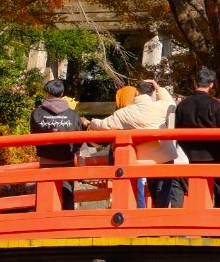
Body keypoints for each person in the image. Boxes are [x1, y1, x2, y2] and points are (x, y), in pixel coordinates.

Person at [90, 81, 176, 209]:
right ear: (152, 92)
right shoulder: (160, 107)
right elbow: (171, 103)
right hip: (165, 155)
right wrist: (158, 87)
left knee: (154, 190)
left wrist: (92, 122)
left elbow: (103, 125)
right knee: (163, 192)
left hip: (146, 158)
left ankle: (156, 213)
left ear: (136, 92)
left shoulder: (125, 113)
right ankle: (161, 214)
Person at [174, 66, 220, 208]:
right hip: (212, 154)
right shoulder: (214, 105)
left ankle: (186, 215)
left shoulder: (183, 105)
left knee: (186, 187)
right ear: (211, 84)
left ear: (194, 83)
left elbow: (176, 129)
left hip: (188, 154)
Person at [31, 75, 86, 211]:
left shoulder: (37, 113)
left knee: (45, 196)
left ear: (47, 93)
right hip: (67, 159)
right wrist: (78, 152)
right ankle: (68, 219)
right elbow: (79, 137)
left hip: (46, 160)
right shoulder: (73, 115)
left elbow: (33, 133)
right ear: (62, 94)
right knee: (67, 193)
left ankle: (44, 221)